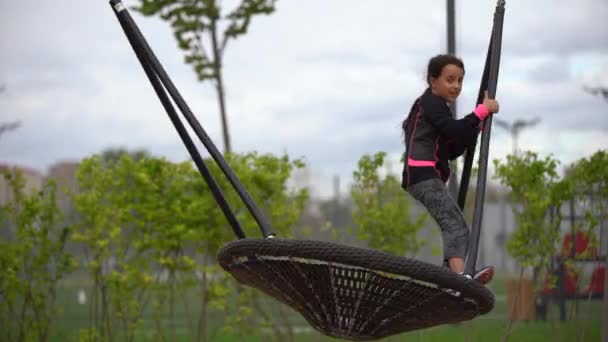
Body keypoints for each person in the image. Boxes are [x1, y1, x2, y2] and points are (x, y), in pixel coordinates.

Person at [401, 54, 499, 285]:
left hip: (423, 176)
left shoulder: (436, 108)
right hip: (422, 174)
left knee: (455, 225)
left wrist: (478, 122)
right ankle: (459, 279)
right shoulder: (431, 103)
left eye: (460, 81)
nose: (456, 86)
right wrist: (481, 112)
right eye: (450, 79)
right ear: (432, 80)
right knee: (454, 225)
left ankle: (449, 278)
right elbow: (454, 130)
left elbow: (453, 148)